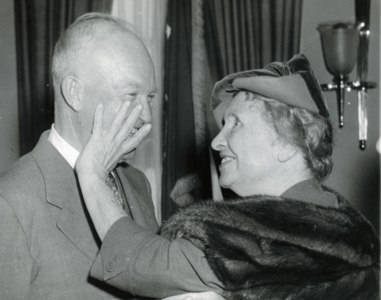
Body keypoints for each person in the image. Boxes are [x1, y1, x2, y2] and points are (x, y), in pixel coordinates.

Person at [76, 53, 380, 300]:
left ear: (289, 143)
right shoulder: (347, 226)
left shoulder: (257, 239)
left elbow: (143, 264)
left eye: (235, 124)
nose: (216, 141)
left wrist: (91, 172)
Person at [0, 13, 221, 300]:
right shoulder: (10, 201)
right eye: (130, 95)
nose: (146, 116)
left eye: (150, 97)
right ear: (74, 93)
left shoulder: (136, 182)